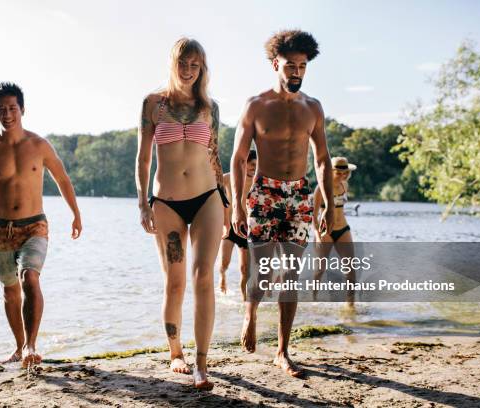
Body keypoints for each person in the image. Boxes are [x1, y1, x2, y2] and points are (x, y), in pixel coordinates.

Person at [230, 30, 334, 378]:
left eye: (302, 66)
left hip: (299, 195)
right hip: (264, 192)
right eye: (290, 65)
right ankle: (250, 313)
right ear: (276, 64)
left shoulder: (313, 107)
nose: (296, 72)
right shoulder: (256, 105)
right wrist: (237, 205)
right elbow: (237, 157)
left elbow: (321, 159)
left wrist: (328, 204)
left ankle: (282, 351)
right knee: (260, 270)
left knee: (291, 273)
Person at [0, 82, 82, 369]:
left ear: (23, 109)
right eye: (1, 109)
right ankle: (19, 348)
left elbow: (63, 179)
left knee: (30, 278)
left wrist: (76, 214)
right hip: (1, 230)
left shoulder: (39, 145)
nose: (7, 114)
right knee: (10, 290)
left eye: (12, 108)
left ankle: (31, 345)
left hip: (34, 226)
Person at [135, 38, 228, 390]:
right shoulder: (153, 104)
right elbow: (143, 159)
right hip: (167, 203)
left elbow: (215, 155)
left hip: (207, 198)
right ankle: (176, 353)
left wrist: (227, 201)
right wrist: (143, 203)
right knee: (175, 282)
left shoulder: (210, 107)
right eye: (183, 63)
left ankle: (202, 363)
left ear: (202, 67)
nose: (189, 70)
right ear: (173, 63)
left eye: (195, 64)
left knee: (204, 277)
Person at [312, 156, 357, 307]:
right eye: (339, 173)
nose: (343, 176)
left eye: (345, 173)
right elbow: (313, 216)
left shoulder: (345, 185)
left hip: (343, 229)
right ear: (330, 172)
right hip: (326, 231)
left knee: (350, 267)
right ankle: (314, 299)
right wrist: (318, 236)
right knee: (320, 269)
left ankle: (350, 305)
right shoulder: (320, 188)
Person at [218, 150, 257, 299]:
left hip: (246, 230)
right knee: (224, 264)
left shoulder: (257, 182)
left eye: (256, 165)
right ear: (244, 163)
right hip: (228, 228)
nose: (254, 168)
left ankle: (245, 300)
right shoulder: (228, 178)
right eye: (252, 164)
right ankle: (222, 276)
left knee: (245, 269)